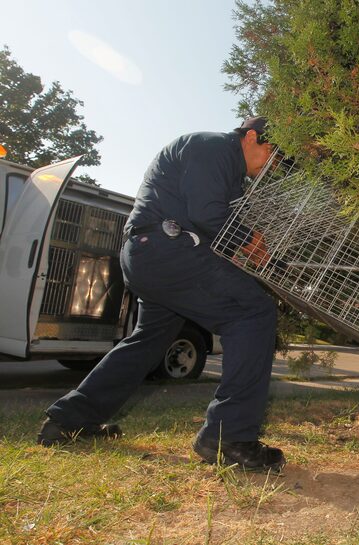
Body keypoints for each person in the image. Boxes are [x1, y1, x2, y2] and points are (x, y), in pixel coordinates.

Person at [37, 117, 285, 471]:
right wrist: (248, 240)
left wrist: (248, 246)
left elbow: (211, 224)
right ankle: (228, 436)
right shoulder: (213, 147)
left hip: (151, 254)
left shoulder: (227, 170)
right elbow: (207, 214)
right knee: (254, 313)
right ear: (250, 136)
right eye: (270, 152)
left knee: (148, 340)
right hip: (166, 251)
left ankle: (70, 419)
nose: (269, 165)